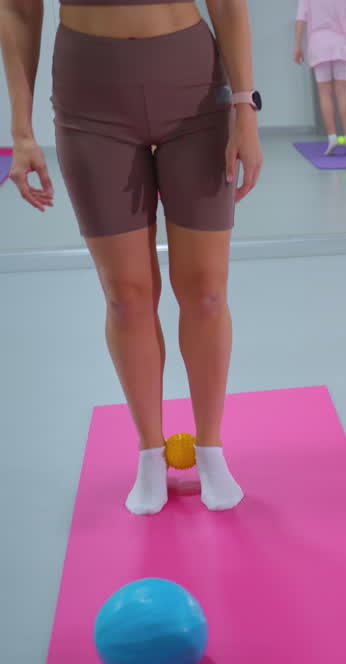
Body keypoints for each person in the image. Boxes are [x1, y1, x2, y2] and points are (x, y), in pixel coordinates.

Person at [1, 0, 263, 515]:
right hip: (89, 97)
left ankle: (209, 449)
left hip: (194, 93)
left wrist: (245, 110)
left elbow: (229, 4)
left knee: (206, 291)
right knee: (126, 296)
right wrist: (21, 131)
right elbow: (17, 11)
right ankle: (149, 452)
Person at [294, 0, 346, 157]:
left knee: (325, 94)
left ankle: (332, 139)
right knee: (343, 94)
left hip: (318, 45)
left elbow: (300, 19)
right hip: (340, 45)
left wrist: (297, 46)